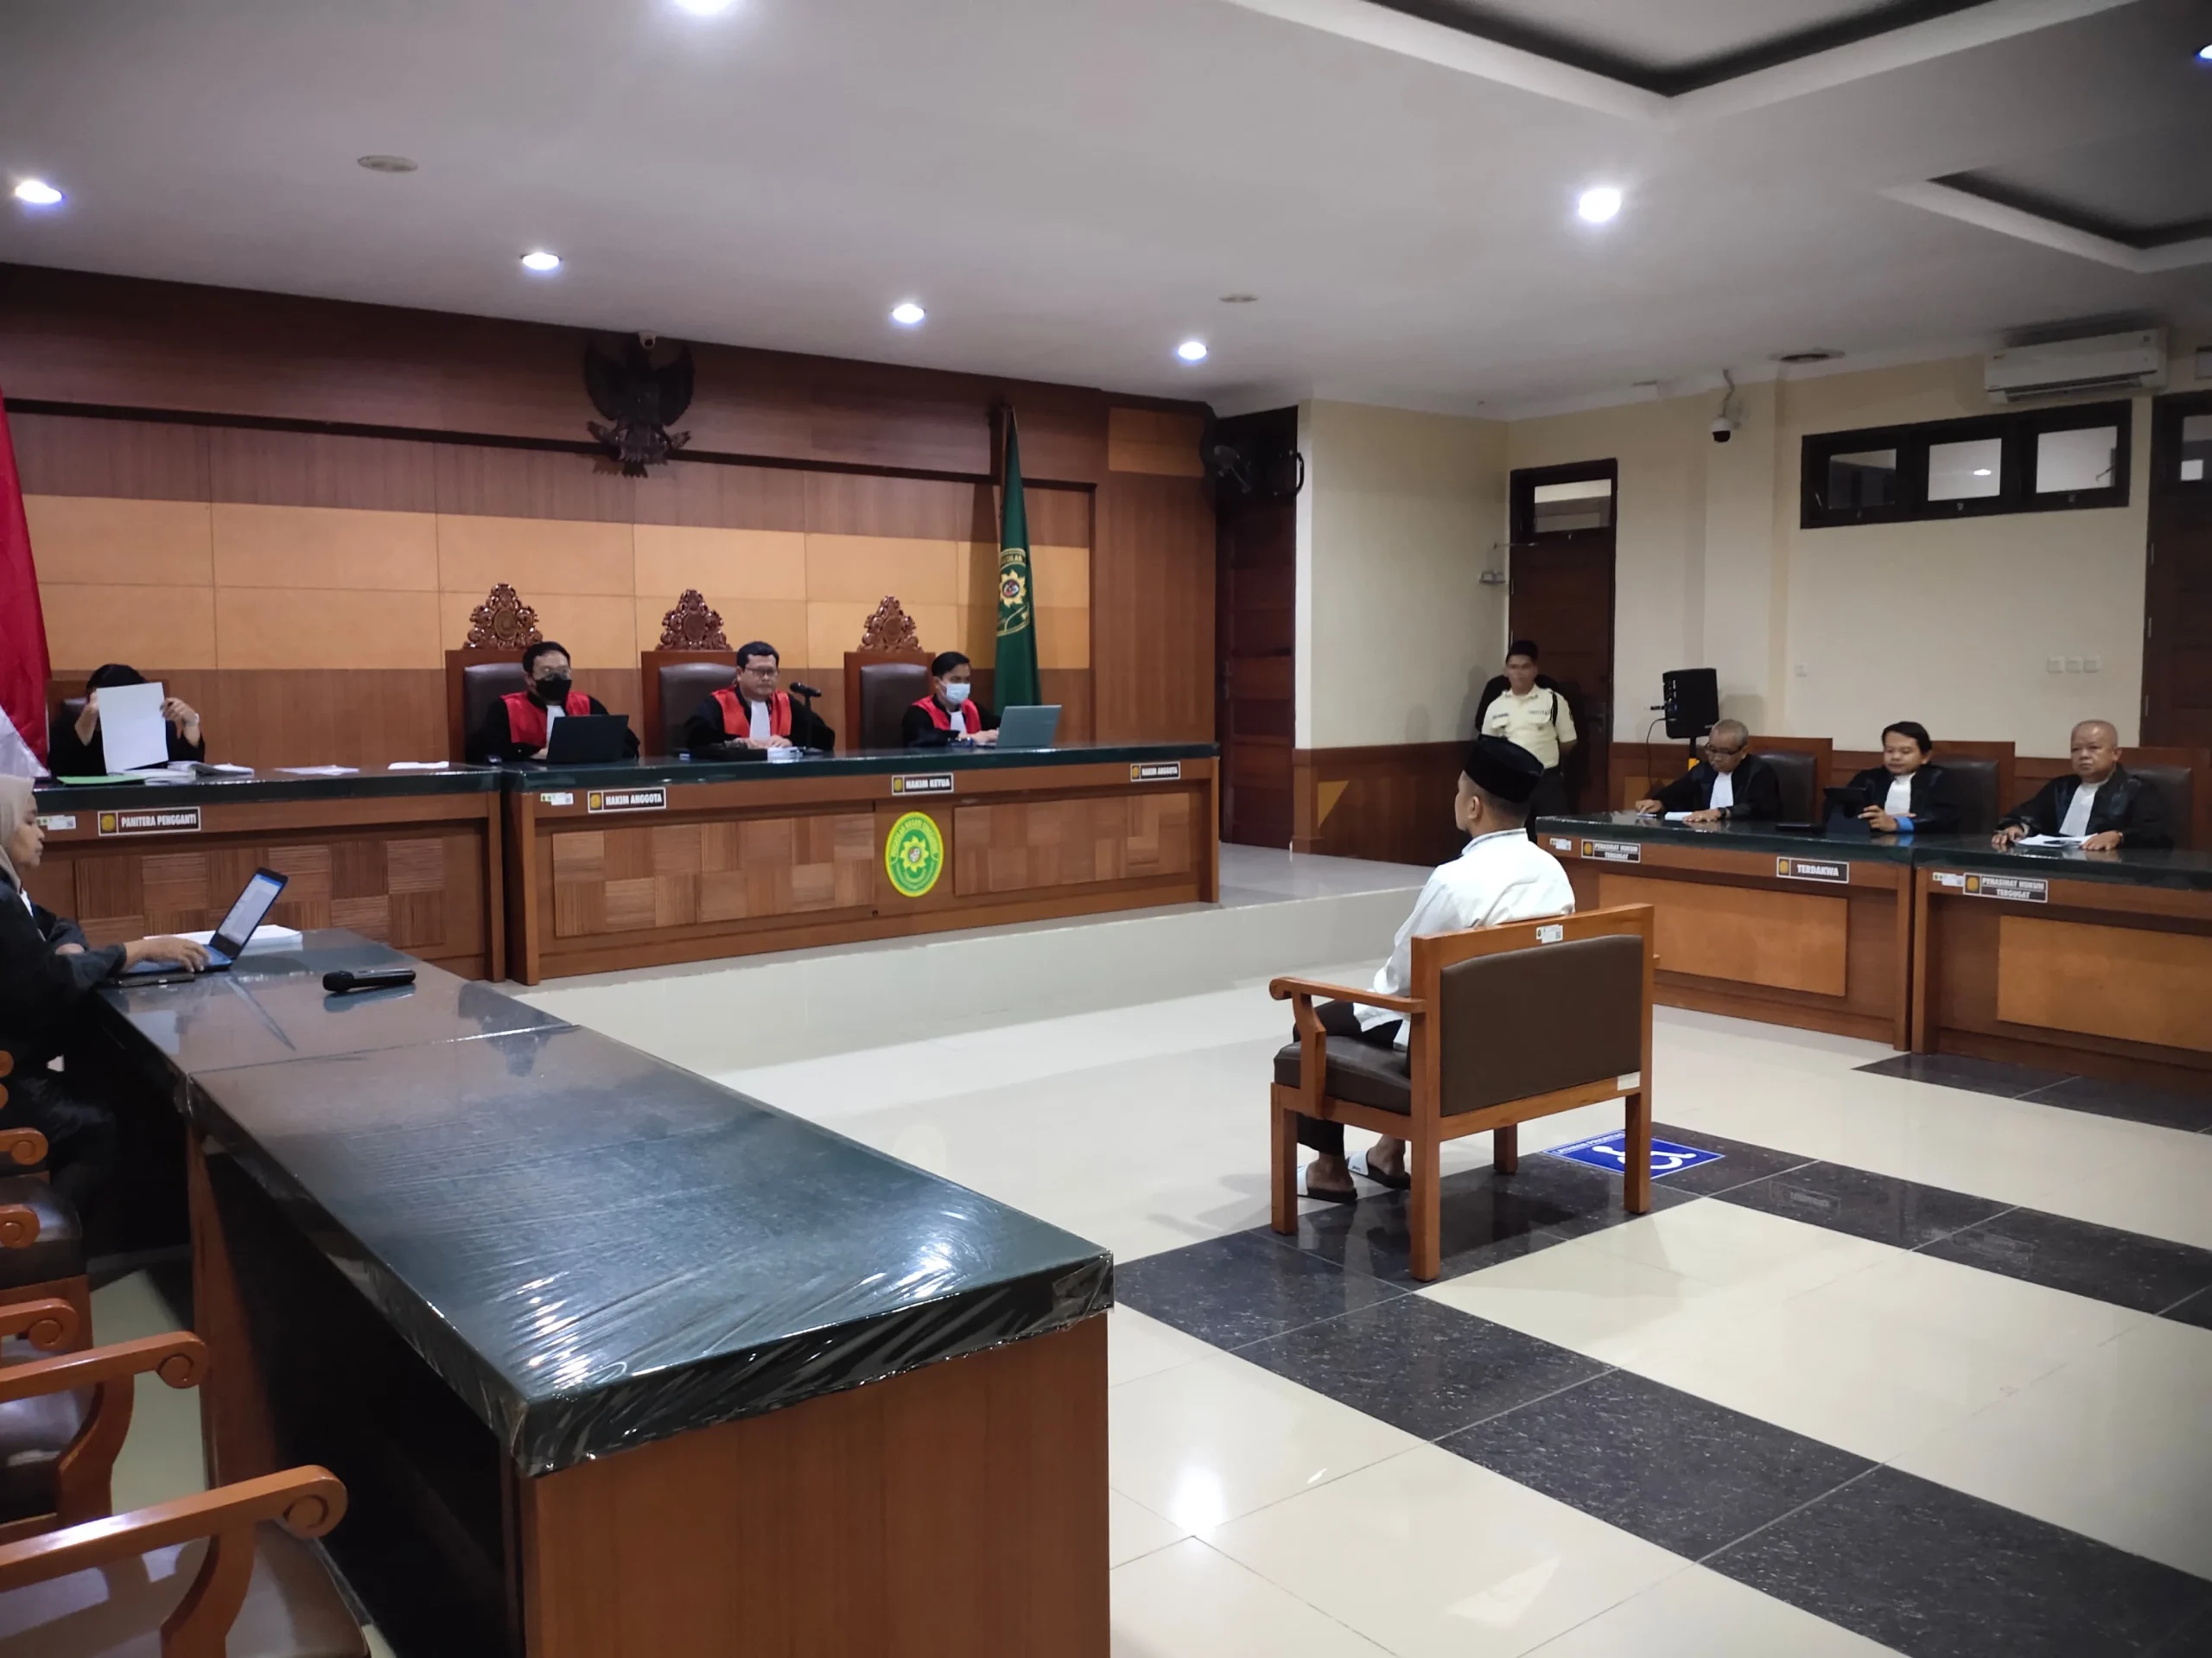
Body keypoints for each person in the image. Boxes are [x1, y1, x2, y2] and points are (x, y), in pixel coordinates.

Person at [1298, 736, 1574, 1203]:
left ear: (1473, 807)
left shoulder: (1455, 880)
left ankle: (1329, 1171)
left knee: (1313, 1024)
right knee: (1433, 1011)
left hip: (1457, 1045)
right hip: (1527, 1037)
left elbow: (1403, 979)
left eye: (1458, 790)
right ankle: (1387, 1152)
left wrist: (1375, 996)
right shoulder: (1553, 872)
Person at [0, 777, 209, 1214]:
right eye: (31, 822)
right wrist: (136, 951)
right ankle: (47, 1239)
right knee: (105, 1126)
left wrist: (71, 954)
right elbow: (49, 987)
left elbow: (61, 927)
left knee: (120, 1086)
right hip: (11, 1089)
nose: (42, 833)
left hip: (18, 1069)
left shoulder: (11, 891)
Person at [1993, 721, 2171, 852]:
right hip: (2056, 867)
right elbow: (2029, 816)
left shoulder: (2137, 790)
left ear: (2115, 754)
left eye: (2093, 748)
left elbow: (2157, 833)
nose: (2083, 755)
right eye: (2076, 749)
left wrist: (2119, 836)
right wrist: (2018, 828)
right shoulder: (2060, 788)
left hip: (2108, 874)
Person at [469, 640, 639, 764]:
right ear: (529, 678)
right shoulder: (506, 708)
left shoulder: (586, 704)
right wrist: (533, 753)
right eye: (548, 672)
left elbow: (627, 744)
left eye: (564, 672)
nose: (557, 678)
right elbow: (484, 751)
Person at [682, 640, 836, 758]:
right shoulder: (720, 702)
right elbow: (695, 739)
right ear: (740, 673)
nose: (766, 678)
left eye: (771, 672)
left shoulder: (785, 702)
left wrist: (790, 741)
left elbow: (825, 737)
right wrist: (735, 744)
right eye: (759, 672)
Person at [44, 664, 205, 776]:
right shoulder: (71, 724)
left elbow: (187, 768)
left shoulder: (157, 725)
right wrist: (90, 715)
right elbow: (60, 769)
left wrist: (191, 722)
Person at [1478, 641, 1575, 824]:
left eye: (1525, 667)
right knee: (1514, 834)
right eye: (1513, 667)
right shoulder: (1495, 706)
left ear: (1535, 670)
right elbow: (1488, 748)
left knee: (1554, 833)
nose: (1519, 673)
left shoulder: (1553, 701)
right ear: (1506, 671)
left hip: (1547, 783)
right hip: (1511, 783)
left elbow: (1568, 742)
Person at [1632, 718, 1780, 823]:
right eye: (1712, 750)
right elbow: (1677, 793)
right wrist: (1659, 803)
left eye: (1724, 752)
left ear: (1743, 752)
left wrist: (1721, 812)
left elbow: (1757, 809)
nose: (1716, 758)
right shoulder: (1704, 770)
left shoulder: (1759, 772)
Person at [1840, 721, 1959, 834]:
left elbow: (1944, 816)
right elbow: (1846, 811)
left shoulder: (1940, 778)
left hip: (1925, 845)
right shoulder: (1867, 779)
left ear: (1925, 757)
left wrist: (1898, 823)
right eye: (1889, 751)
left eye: (1905, 752)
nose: (1895, 757)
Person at [902, 651, 1001, 748]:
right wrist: (970, 737)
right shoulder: (919, 711)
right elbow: (922, 737)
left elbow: (999, 725)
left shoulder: (973, 708)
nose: (962, 685)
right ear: (937, 682)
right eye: (956, 680)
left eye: (966, 680)